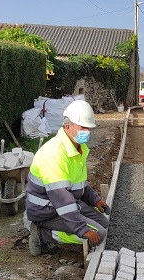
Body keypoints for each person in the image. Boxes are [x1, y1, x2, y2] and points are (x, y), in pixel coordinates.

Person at [26, 100, 110, 256]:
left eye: (89, 128)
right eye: (82, 127)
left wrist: (95, 200)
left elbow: (79, 184)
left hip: (67, 203)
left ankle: (54, 230)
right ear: (68, 126)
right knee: (100, 235)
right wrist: (82, 229)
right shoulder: (55, 155)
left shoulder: (79, 148)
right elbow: (63, 202)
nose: (87, 132)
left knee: (106, 224)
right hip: (47, 210)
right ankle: (43, 234)